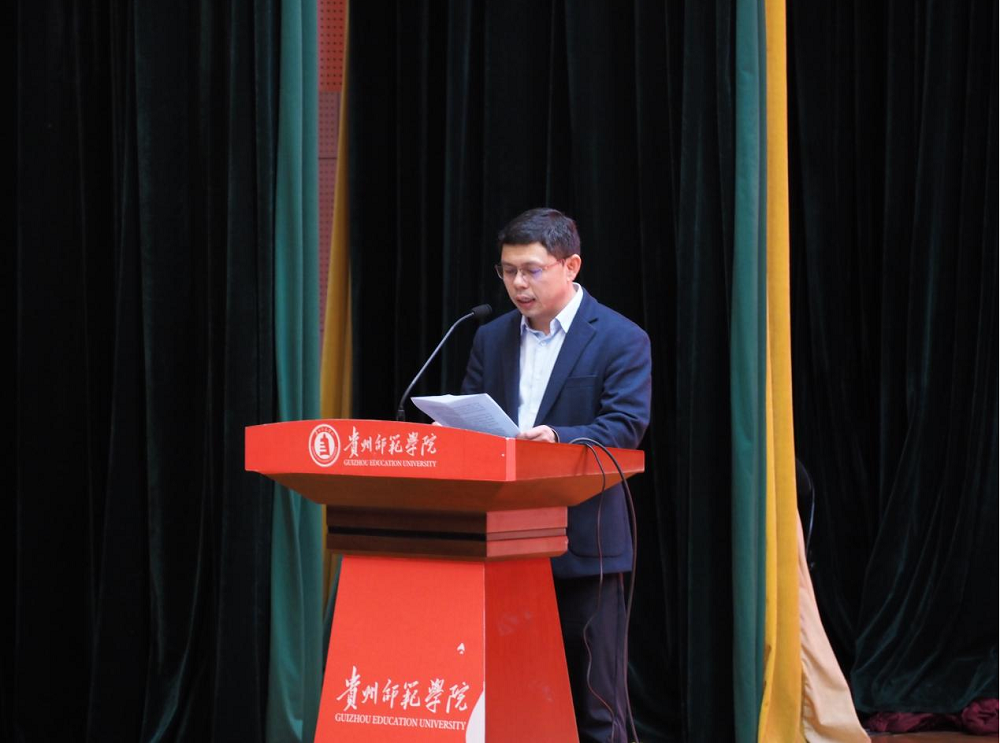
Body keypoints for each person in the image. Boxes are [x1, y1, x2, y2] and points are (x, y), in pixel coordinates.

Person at [461, 207, 652, 742]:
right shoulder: (490, 338)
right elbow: (474, 416)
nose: (518, 284)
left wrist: (558, 438)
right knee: (512, 695)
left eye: (531, 270)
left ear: (571, 266)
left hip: (583, 542)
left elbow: (625, 426)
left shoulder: (620, 337)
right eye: (508, 271)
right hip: (502, 541)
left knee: (595, 703)